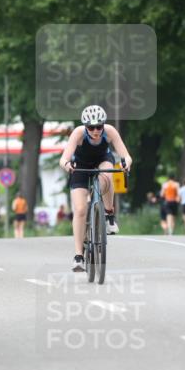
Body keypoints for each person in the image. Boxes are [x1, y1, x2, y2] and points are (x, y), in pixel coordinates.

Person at [59, 104, 133, 271]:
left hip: (102, 160)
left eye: (99, 126)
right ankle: (78, 256)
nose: (95, 131)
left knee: (107, 174)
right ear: (85, 127)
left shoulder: (110, 131)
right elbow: (63, 159)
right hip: (80, 167)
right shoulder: (78, 133)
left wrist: (126, 163)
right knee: (79, 210)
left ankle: (108, 214)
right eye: (91, 127)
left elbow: (126, 156)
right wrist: (67, 165)